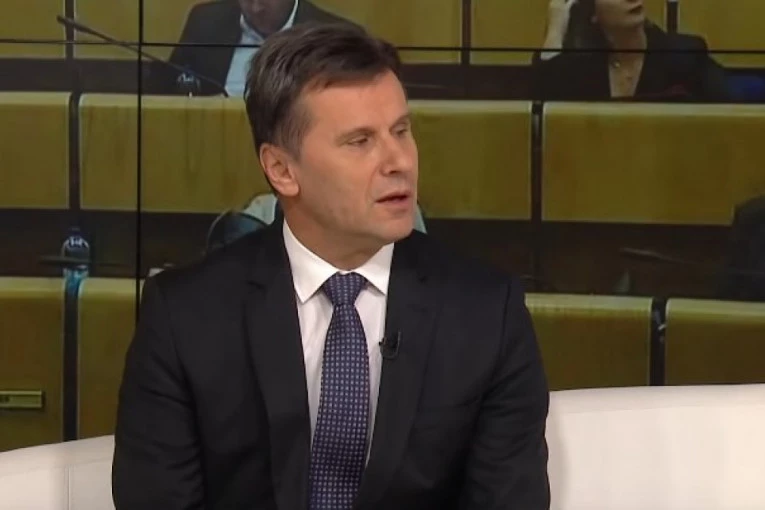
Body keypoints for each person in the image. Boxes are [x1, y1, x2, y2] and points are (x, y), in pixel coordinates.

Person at [112, 22, 550, 510]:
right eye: (360, 141)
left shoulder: (487, 313)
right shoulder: (184, 318)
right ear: (282, 170)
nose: (399, 162)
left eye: (401, 131)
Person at [532, 0, 730, 101]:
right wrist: (556, 30)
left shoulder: (686, 56)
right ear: (592, 13)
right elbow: (542, 106)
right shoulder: (583, 66)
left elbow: (730, 120)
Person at [164, 0, 352, 96]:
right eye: (248, 0)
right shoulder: (206, 21)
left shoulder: (335, 38)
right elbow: (170, 87)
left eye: (264, 1)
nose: (255, 9)